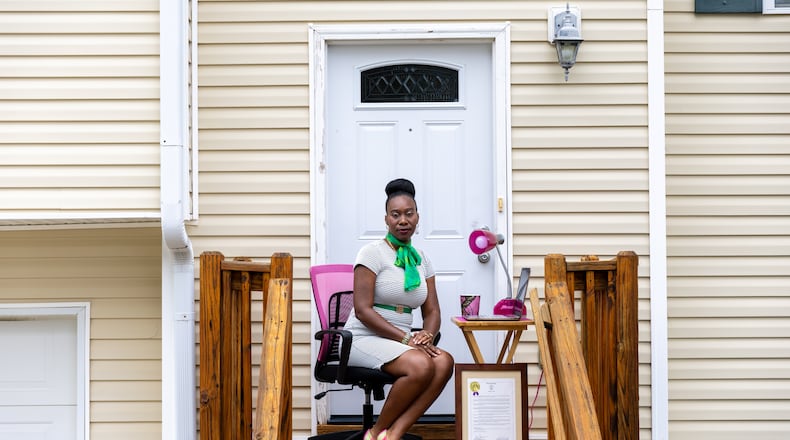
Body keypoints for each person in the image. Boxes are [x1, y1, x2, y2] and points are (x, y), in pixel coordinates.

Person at [342, 178, 455, 440]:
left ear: (417, 217)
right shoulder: (372, 253)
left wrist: (426, 334)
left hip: (402, 342)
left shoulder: (421, 260)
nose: (403, 220)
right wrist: (407, 338)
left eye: (409, 213)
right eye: (396, 215)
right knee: (420, 365)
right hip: (362, 338)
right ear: (386, 219)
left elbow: (433, 311)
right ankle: (375, 432)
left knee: (443, 362)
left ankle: (393, 434)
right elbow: (362, 310)